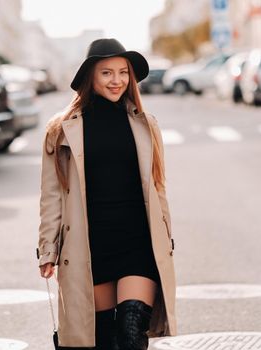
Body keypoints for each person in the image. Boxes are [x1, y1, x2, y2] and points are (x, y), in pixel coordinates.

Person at [37, 38, 176, 349]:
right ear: (91, 77)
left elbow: (158, 185)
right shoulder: (62, 130)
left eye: (123, 72)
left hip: (138, 241)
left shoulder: (146, 125)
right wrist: (48, 249)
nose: (117, 81)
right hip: (91, 245)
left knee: (131, 331)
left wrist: (165, 236)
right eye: (107, 73)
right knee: (103, 339)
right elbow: (51, 195)